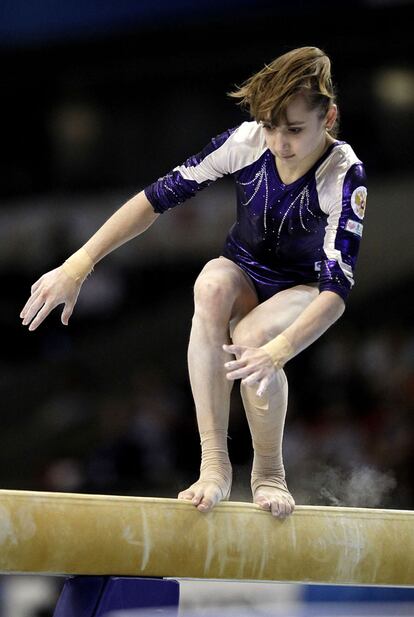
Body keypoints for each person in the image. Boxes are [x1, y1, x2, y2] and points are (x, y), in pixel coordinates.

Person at [20, 46, 367, 519]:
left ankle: (269, 473)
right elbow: (154, 200)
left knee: (251, 336)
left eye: (294, 130)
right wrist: (77, 265)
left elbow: (335, 291)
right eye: (270, 127)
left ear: (329, 118)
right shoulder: (245, 143)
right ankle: (213, 465)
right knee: (211, 284)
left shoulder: (344, 175)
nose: (279, 143)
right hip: (244, 273)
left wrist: (279, 350)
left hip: (299, 291)